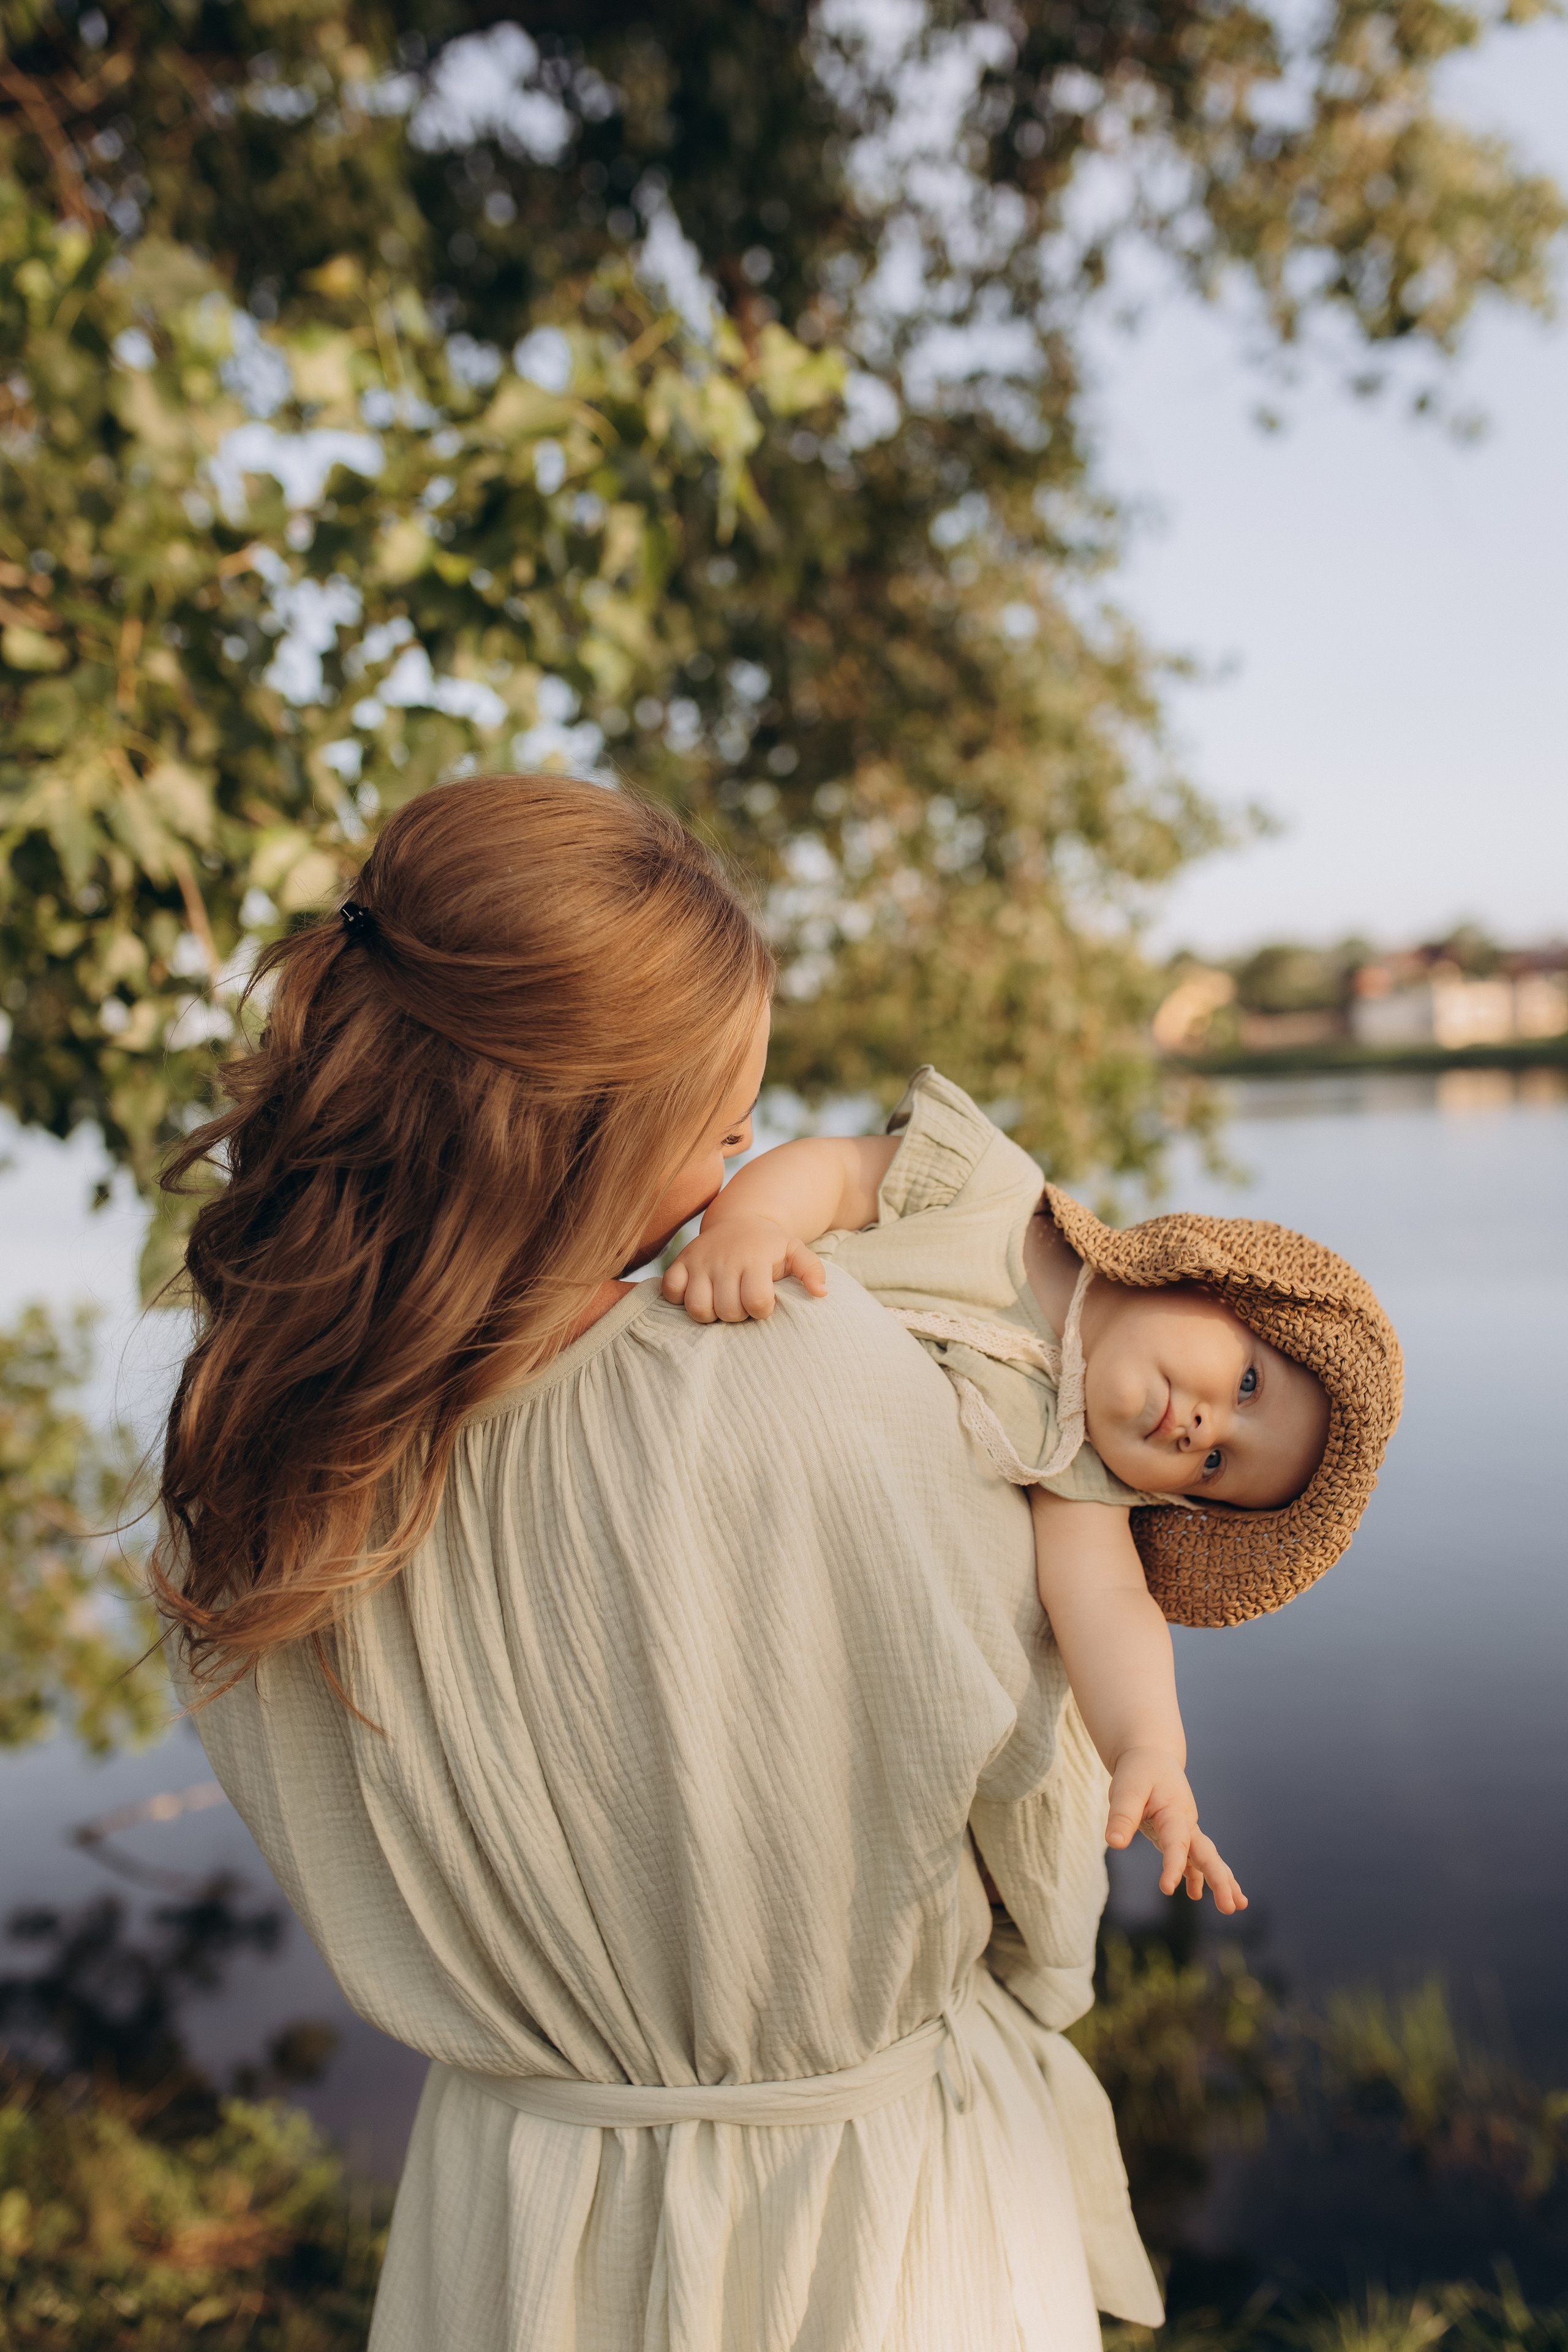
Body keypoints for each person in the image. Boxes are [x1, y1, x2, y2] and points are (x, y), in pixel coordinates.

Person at [153, 774, 1168, 2352]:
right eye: (720, 1128)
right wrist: (1034, 1978)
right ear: (574, 1137)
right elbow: (1031, 1804)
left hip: (519, 2209)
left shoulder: (252, 1466)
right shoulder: (821, 1366)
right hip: (865, 2202)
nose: (741, 1169)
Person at [665, 1066, 1403, 1914]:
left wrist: (1150, 1751)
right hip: (696, 1350)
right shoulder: (994, 1193)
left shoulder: (1075, 1469)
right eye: (1246, 1386)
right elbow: (837, 1173)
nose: (1205, 1431)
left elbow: (1109, 1605)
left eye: (1215, 1470)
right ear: (1217, 1285)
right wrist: (754, 1223)